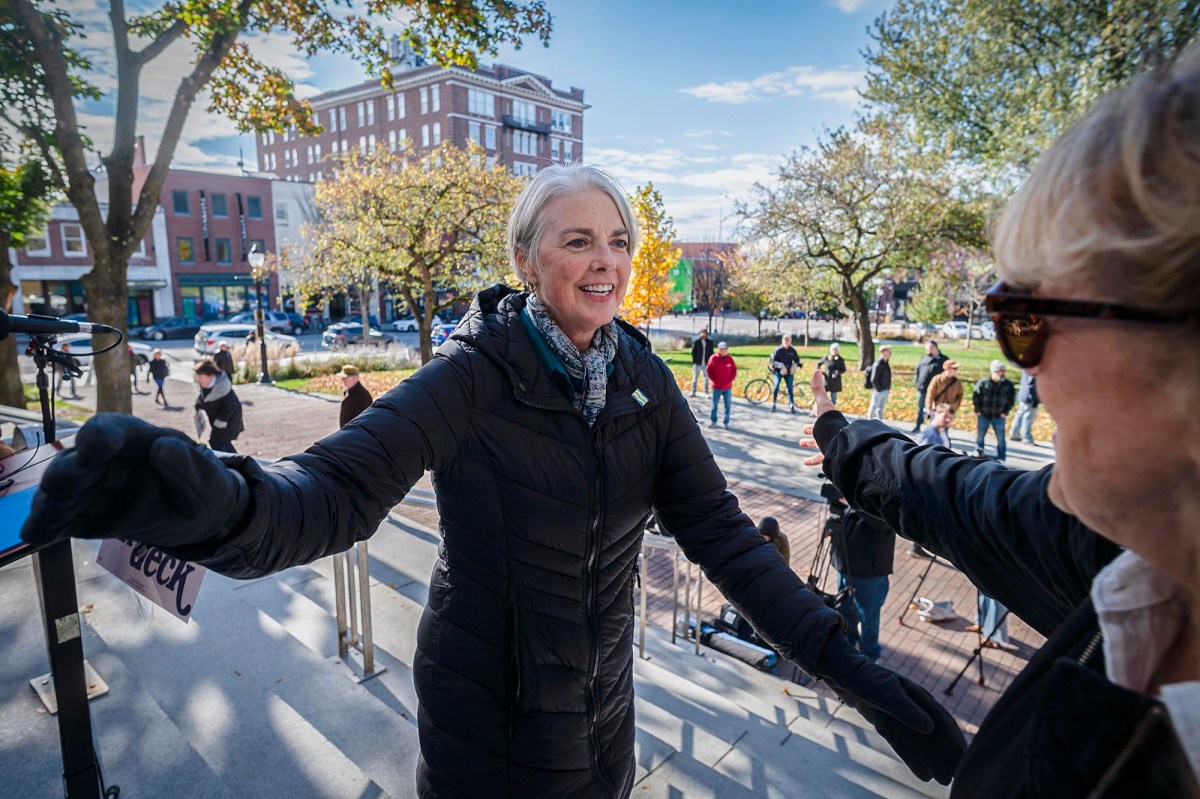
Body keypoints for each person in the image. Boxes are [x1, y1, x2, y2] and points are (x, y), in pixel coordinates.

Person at [21, 164, 965, 798]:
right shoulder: (471, 375)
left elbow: (722, 537)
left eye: (618, 242)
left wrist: (854, 670)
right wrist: (217, 505)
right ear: (525, 259)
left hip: (605, 714)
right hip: (486, 724)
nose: (606, 262)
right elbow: (331, 496)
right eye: (577, 241)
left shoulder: (643, 376)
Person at [799, 45, 1200, 796]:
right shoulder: (1129, 563)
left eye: (1025, 320)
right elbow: (960, 499)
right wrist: (838, 435)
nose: (1028, 369)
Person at [830, 501, 896, 662]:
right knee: (844, 612)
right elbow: (839, 511)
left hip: (869, 569)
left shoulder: (884, 486)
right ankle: (846, 648)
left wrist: (851, 500)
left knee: (868, 618)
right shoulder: (850, 483)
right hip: (844, 562)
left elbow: (884, 521)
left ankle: (870, 658)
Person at [193, 359, 243, 454]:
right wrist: (198, 406)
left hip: (228, 421)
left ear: (210, 375)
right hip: (217, 421)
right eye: (197, 377)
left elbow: (230, 406)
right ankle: (233, 462)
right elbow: (204, 397)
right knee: (221, 443)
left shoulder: (222, 386)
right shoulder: (206, 384)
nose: (198, 380)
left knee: (217, 442)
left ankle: (234, 462)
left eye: (201, 377)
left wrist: (219, 422)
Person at [973, 360, 1015, 462]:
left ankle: (1001, 457)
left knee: (1001, 438)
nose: (1002, 373)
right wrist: (977, 410)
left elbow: (1012, 399)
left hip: (999, 416)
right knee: (980, 435)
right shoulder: (983, 383)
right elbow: (976, 396)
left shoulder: (1008, 385)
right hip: (983, 414)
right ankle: (979, 451)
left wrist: (1005, 412)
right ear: (993, 372)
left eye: (1003, 371)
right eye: (999, 371)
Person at [911, 340, 947, 431]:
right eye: (926, 348)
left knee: (934, 410)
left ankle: (933, 428)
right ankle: (918, 425)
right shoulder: (924, 357)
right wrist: (916, 382)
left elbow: (946, 376)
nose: (928, 350)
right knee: (920, 408)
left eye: (930, 348)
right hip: (922, 389)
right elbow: (917, 370)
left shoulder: (943, 360)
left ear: (936, 348)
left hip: (936, 391)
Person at [706, 340, 737, 429]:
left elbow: (734, 371)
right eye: (723, 349)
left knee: (727, 406)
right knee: (714, 405)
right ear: (719, 350)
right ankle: (713, 421)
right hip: (716, 387)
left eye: (726, 349)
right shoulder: (713, 358)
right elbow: (709, 370)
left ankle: (726, 422)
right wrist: (714, 380)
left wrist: (730, 381)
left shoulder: (729, 359)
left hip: (727, 387)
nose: (725, 351)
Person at [769, 335, 802, 412]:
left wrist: (795, 366)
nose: (786, 341)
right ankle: (774, 404)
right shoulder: (778, 350)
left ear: (790, 341)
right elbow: (773, 361)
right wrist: (780, 366)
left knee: (790, 388)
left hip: (789, 372)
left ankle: (791, 405)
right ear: (782, 341)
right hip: (778, 372)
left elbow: (797, 360)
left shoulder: (792, 350)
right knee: (776, 387)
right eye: (785, 340)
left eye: (788, 340)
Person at [1009, 371, 1039, 444]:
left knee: (1020, 415)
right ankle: (1026, 437)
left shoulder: (1027, 366)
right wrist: (1034, 399)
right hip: (1030, 397)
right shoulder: (1033, 368)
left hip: (1024, 395)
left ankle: (1014, 434)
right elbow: (1031, 384)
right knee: (1028, 417)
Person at [866, 345, 892, 420]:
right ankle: (869, 422)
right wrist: (878, 389)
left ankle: (880, 423)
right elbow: (873, 379)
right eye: (887, 352)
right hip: (879, 390)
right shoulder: (878, 363)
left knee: (880, 408)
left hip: (885, 389)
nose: (889, 353)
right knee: (873, 407)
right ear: (882, 353)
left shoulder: (886, 363)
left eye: (889, 352)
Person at [690, 327, 714, 396]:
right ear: (700, 334)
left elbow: (711, 352)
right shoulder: (697, 342)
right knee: (695, 378)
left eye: (704, 333)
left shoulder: (710, 342)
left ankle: (706, 393)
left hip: (706, 364)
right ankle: (693, 392)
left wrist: (710, 362)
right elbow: (693, 352)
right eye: (702, 333)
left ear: (706, 334)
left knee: (706, 379)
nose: (703, 334)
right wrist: (694, 361)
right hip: (698, 363)